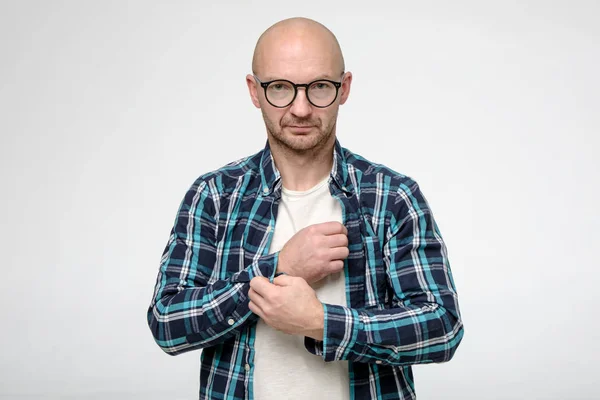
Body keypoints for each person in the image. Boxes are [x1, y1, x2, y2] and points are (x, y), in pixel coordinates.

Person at [147, 17, 464, 400]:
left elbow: (442, 328)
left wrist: (320, 322)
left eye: (319, 87)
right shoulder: (214, 196)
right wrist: (276, 268)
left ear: (344, 88)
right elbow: (167, 324)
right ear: (254, 90)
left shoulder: (392, 197)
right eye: (280, 87)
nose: (300, 108)